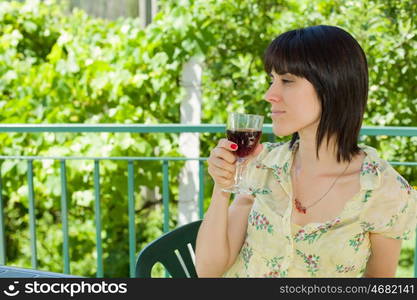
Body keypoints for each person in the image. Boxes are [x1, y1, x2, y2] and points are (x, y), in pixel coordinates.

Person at [195, 25, 417, 278]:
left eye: (287, 81)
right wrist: (223, 186)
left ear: (332, 86)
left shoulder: (383, 190)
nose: (269, 95)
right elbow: (208, 272)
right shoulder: (262, 164)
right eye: (272, 81)